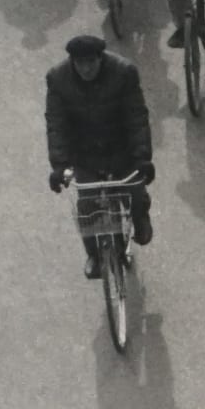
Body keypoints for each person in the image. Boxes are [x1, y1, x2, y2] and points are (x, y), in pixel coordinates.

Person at [45, 35, 154, 277]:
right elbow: (56, 125)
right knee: (87, 207)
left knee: (135, 189)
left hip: (122, 150)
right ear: (72, 62)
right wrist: (59, 165)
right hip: (85, 155)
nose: (85, 69)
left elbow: (136, 117)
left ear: (100, 59)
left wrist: (142, 157)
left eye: (90, 63)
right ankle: (94, 255)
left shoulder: (124, 72)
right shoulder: (57, 80)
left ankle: (140, 216)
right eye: (79, 63)